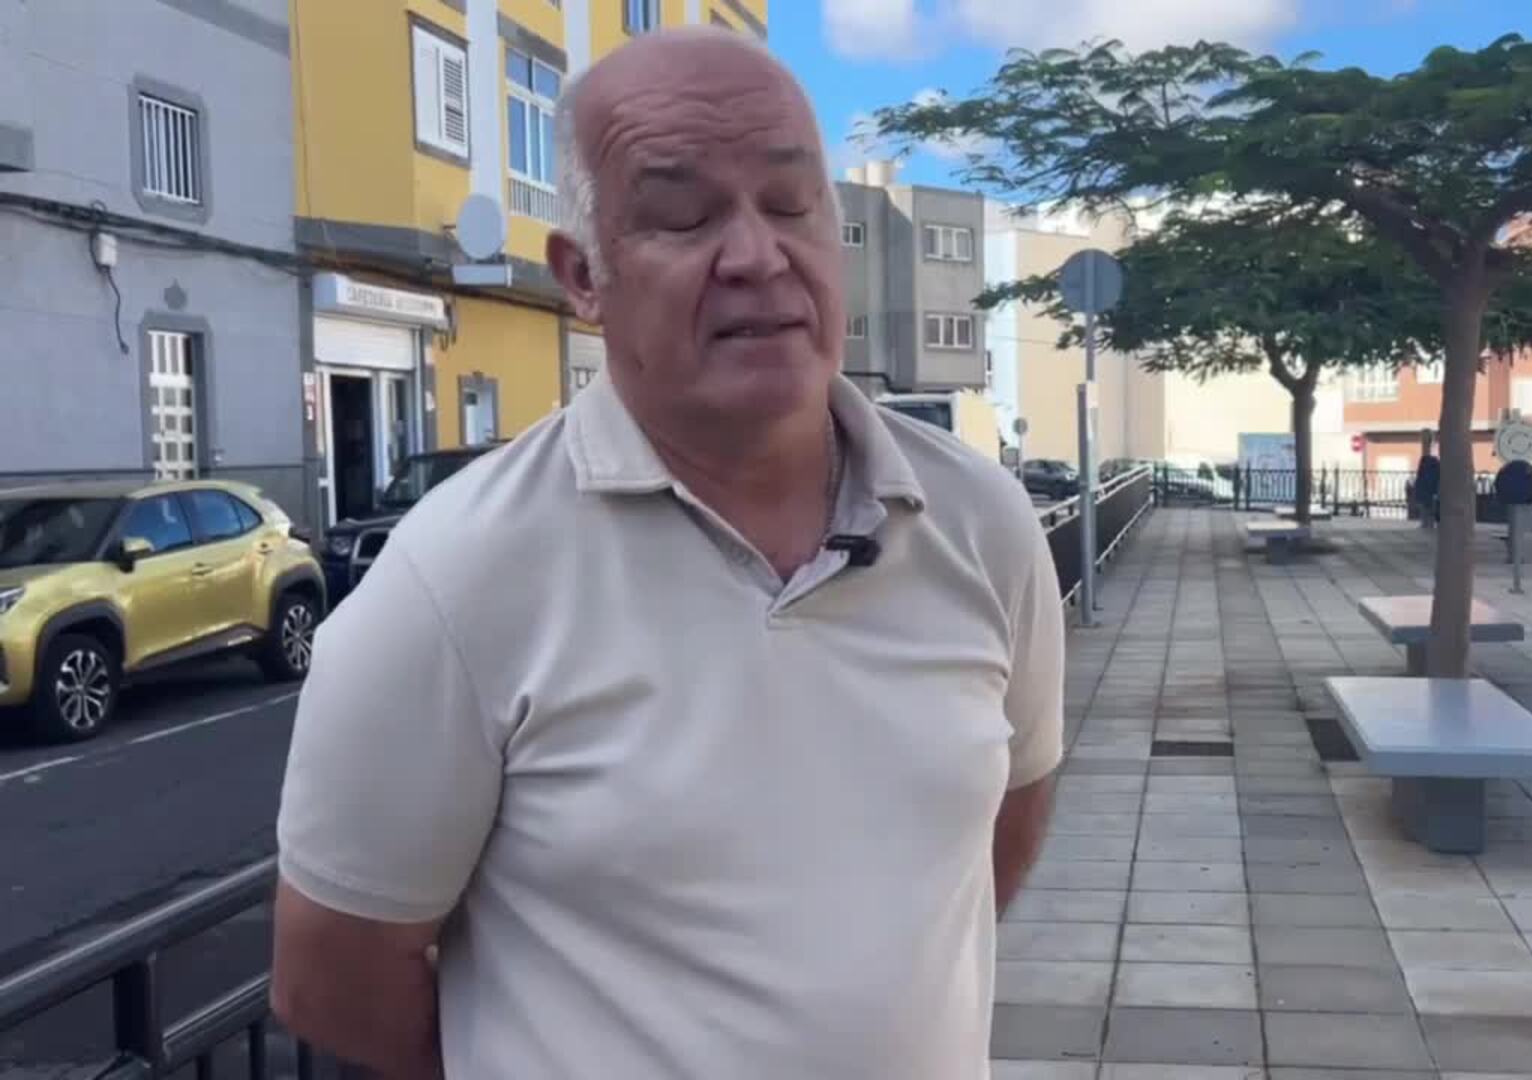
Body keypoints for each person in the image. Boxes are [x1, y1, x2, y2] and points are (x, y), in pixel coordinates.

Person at [269, 27, 1064, 1080]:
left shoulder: (983, 521)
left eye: (792, 205)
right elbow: (332, 977)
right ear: (583, 278)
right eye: (684, 217)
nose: (757, 255)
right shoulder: (452, 578)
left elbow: (1002, 828)